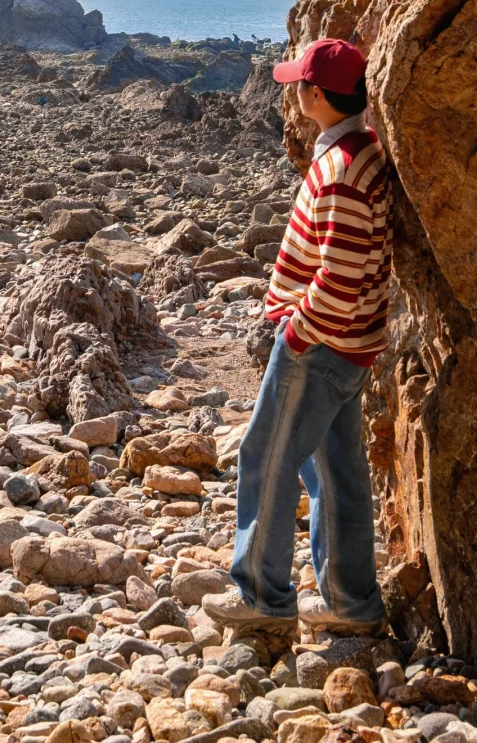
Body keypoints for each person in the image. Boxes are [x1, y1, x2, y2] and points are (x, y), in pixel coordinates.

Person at [207, 37, 391, 636]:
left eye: (298, 86)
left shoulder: (338, 170)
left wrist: (300, 329)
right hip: (353, 342)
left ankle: (262, 595)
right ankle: (351, 601)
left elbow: (339, 269)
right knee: (335, 468)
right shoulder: (363, 151)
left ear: (317, 95)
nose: (292, 93)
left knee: (265, 456)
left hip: (320, 346)